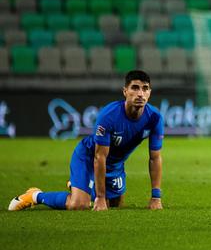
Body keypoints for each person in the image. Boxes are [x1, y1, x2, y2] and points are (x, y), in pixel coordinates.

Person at [8, 70, 165, 212]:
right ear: (125, 91)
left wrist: (156, 197)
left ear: (150, 93)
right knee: (80, 205)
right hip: (90, 157)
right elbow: (99, 157)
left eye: (145, 88)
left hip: (115, 165)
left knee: (116, 205)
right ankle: (35, 196)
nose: (140, 94)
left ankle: (82, 187)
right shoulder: (108, 116)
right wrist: (101, 198)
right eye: (135, 88)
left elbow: (155, 157)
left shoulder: (155, 118)